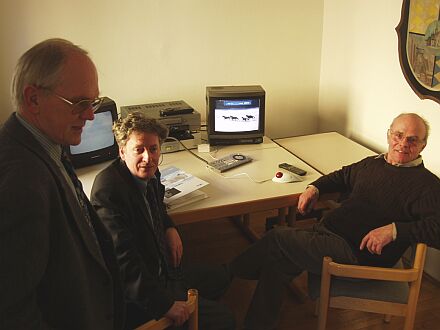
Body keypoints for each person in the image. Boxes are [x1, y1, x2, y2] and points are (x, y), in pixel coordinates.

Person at [229, 113, 440, 330]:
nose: (403, 143)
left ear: (422, 146)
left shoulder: (428, 185)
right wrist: (315, 188)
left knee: (277, 237)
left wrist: (395, 231)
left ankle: (228, 275)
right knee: (278, 262)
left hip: (357, 253)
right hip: (329, 233)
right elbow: (341, 176)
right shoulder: (374, 163)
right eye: (399, 135)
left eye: (413, 140)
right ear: (389, 135)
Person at [0, 39, 124, 329]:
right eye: (80, 103)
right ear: (33, 99)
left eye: (93, 101)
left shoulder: (46, 145)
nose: (90, 115)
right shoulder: (21, 181)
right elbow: (11, 310)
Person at [90, 112, 235, 330]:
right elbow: (125, 264)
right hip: (141, 292)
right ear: (122, 152)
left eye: (153, 149)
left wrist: (169, 227)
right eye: (139, 150)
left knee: (221, 278)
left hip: (164, 271)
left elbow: (156, 204)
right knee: (226, 320)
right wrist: (165, 305)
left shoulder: (151, 172)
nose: (148, 158)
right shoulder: (108, 191)